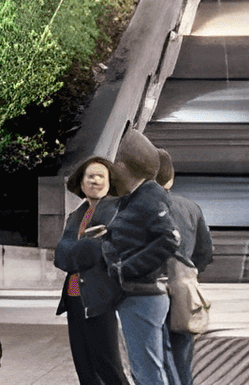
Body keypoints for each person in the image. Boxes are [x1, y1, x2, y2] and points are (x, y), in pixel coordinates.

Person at [102, 132, 184, 385]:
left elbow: (170, 238)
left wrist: (125, 268)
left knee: (147, 371)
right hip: (138, 295)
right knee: (148, 368)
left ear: (123, 166)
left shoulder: (149, 196)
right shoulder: (138, 197)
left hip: (141, 295)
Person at [48, 157, 127, 385]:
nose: (96, 180)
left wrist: (78, 248)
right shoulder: (76, 215)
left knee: (109, 367)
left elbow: (101, 252)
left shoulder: (116, 211)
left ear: (110, 181)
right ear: (81, 183)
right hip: (74, 300)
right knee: (85, 369)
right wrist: (85, 246)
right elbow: (60, 256)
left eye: (101, 176)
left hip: (99, 298)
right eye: (90, 176)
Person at [160, 154, 213, 385]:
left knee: (157, 355)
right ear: (171, 178)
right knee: (182, 355)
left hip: (152, 288)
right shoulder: (191, 207)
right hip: (184, 289)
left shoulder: (136, 206)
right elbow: (205, 253)